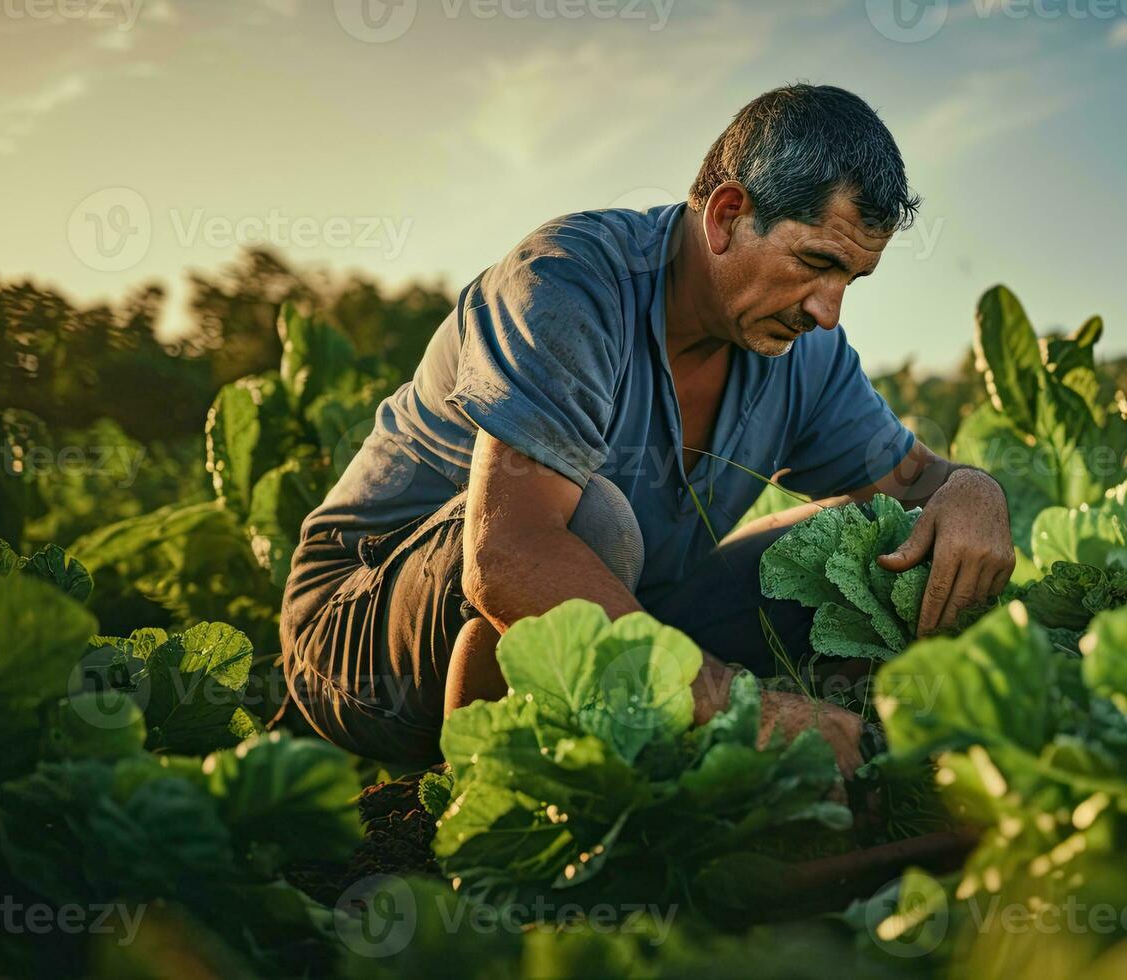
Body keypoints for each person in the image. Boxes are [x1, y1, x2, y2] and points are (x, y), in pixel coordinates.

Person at [278, 84, 1014, 779]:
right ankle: (499, 844)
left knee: (890, 532)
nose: (827, 310)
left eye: (849, 280)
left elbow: (916, 482)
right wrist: (734, 703)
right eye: (815, 263)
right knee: (594, 521)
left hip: (620, 616)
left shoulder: (800, 350)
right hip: (362, 643)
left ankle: (856, 761)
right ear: (726, 216)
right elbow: (508, 556)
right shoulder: (569, 282)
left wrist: (973, 490)